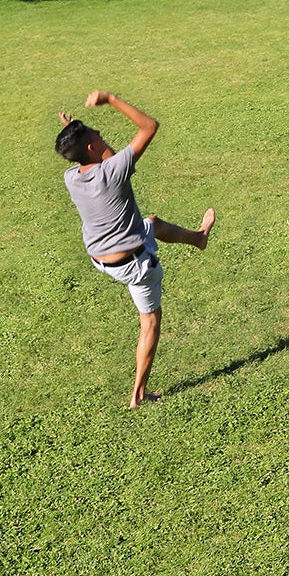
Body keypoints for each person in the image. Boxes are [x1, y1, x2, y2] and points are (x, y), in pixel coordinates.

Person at [55, 90, 215, 407]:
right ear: (90, 147)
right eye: (96, 134)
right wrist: (111, 99)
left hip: (100, 258)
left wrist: (76, 130)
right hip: (134, 266)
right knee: (150, 323)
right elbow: (149, 127)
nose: (102, 134)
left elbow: (104, 158)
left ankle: (199, 239)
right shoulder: (113, 172)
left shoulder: (71, 176)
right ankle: (139, 395)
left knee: (151, 222)